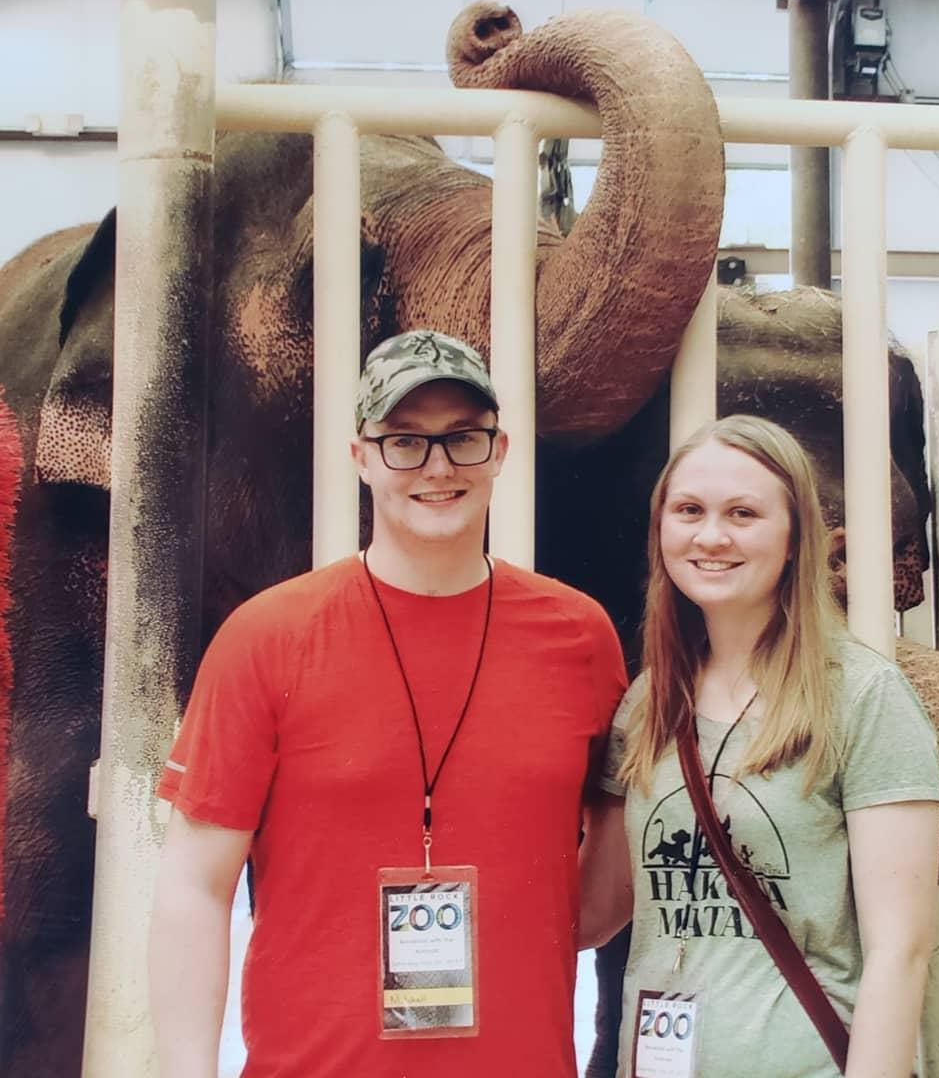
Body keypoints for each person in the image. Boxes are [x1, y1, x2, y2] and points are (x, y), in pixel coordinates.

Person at [150, 329, 627, 1078]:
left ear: (501, 452)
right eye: (405, 441)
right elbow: (193, 885)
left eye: (463, 439)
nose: (437, 467)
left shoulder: (579, 637)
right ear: (361, 456)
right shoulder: (267, 638)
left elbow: (612, 850)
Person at [578, 414, 939, 1078]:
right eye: (689, 510)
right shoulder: (648, 702)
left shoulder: (863, 697)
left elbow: (903, 950)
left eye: (742, 513)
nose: (711, 535)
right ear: (661, 530)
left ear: (797, 538)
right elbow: (594, 911)